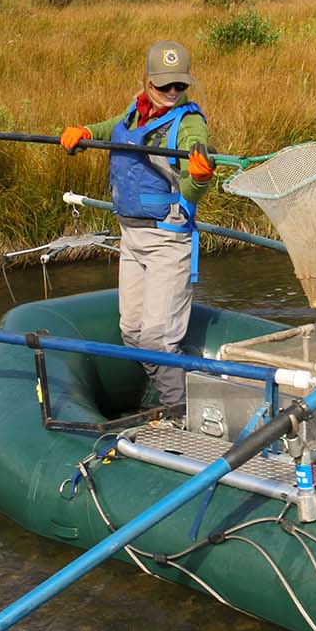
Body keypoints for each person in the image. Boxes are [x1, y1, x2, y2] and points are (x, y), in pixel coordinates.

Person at [59, 41, 217, 409]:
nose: (173, 93)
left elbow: (193, 189)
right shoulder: (135, 111)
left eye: (180, 86)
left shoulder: (190, 123)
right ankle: (172, 396)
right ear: (147, 82)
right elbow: (112, 128)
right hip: (130, 236)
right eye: (165, 86)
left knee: (157, 340)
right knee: (131, 331)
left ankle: (178, 413)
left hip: (167, 240)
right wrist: (84, 133)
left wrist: (201, 175)